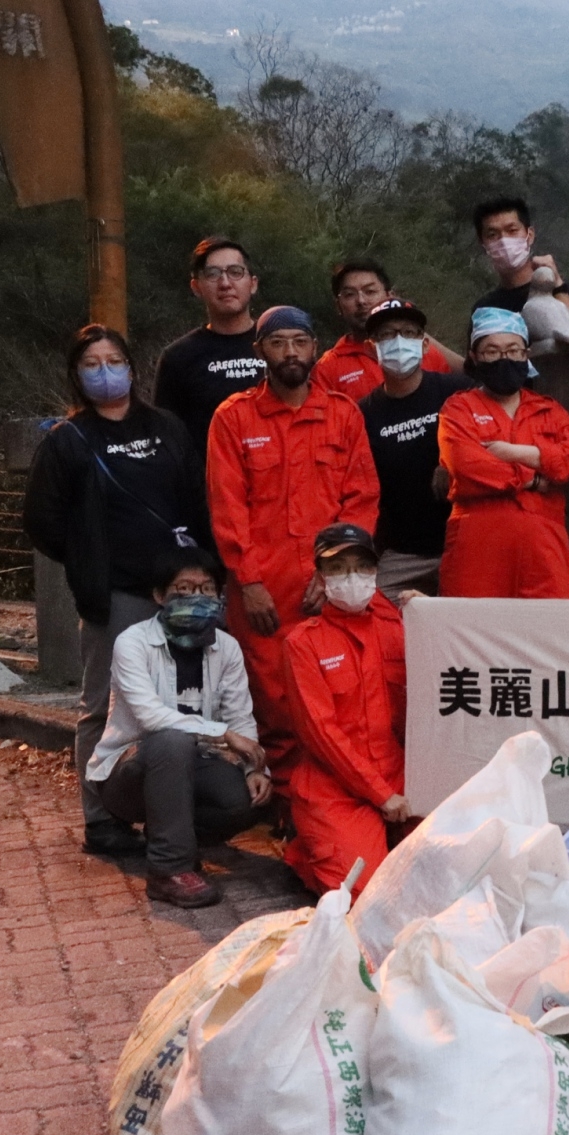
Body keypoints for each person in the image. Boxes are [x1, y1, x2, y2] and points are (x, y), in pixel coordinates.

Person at [25, 323, 208, 857]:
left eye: (114, 360)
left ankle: (172, 809)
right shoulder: (69, 440)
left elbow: (197, 498)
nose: (105, 372)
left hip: (180, 593)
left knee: (180, 699)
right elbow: (43, 521)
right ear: (77, 375)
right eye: (92, 364)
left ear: (132, 367)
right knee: (103, 704)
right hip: (116, 596)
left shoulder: (167, 427)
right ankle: (101, 817)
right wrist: (91, 562)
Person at [207, 305, 380, 785]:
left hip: (328, 582)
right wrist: (249, 582)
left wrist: (336, 575)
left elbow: (361, 499)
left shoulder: (342, 415)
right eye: (278, 342)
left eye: (299, 342)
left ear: (315, 348)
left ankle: (336, 795)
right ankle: (286, 801)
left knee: (338, 691)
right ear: (259, 349)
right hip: (264, 588)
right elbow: (227, 506)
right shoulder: (234, 418)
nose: (289, 352)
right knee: (273, 697)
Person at [85, 546, 269, 909]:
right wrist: (223, 735)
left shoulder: (227, 648)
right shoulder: (133, 643)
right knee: (171, 740)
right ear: (159, 595)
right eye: (183, 589)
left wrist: (254, 767)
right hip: (129, 774)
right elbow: (151, 717)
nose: (196, 598)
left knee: (250, 800)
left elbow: (239, 714)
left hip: (194, 766)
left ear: (220, 596)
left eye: (206, 590)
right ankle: (169, 870)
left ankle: (170, 836)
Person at [281, 523, 409, 894]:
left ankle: (360, 842)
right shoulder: (303, 644)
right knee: (364, 895)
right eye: (337, 568)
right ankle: (309, 849)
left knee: (456, 862)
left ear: (375, 572)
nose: (351, 577)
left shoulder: (397, 628)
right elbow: (322, 733)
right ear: (320, 578)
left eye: (361, 566)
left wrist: (429, 612)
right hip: (335, 784)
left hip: (398, 773)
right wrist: (380, 795)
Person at [437, 308, 569, 597]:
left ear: (526, 354)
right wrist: (534, 479)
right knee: (474, 631)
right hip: (478, 546)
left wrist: (519, 452)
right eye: (491, 351)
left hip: (543, 547)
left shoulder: (549, 410)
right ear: (474, 356)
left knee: (547, 631)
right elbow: (467, 465)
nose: (504, 358)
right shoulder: (459, 409)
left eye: (513, 350)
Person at [356, 297, 472, 597]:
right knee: (372, 611)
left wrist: (454, 461)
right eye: (386, 334)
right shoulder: (363, 414)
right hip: (402, 553)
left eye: (408, 332)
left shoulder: (457, 392)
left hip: (461, 544)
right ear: (372, 349)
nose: (398, 341)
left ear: (424, 344)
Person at [153, 237, 266, 462]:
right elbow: (166, 440)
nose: (225, 283)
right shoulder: (178, 358)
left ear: (253, 283)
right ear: (196, 286)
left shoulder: (281, 346)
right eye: (213, 274)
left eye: (235, 272)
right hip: (210, 489)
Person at [310, 258, 457, 401]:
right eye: (350, 294)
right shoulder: (327, 369)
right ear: (338, 305)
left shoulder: (423, 350)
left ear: (389, 296)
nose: (361, 301)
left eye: (370, 291)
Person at [471, 195, 569, 320]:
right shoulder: (485, 310)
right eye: (492, 235)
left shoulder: (566, 292)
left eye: (512, 230)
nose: (503, 240)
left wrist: (558, 286)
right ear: (483, 245)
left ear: (529, 236)